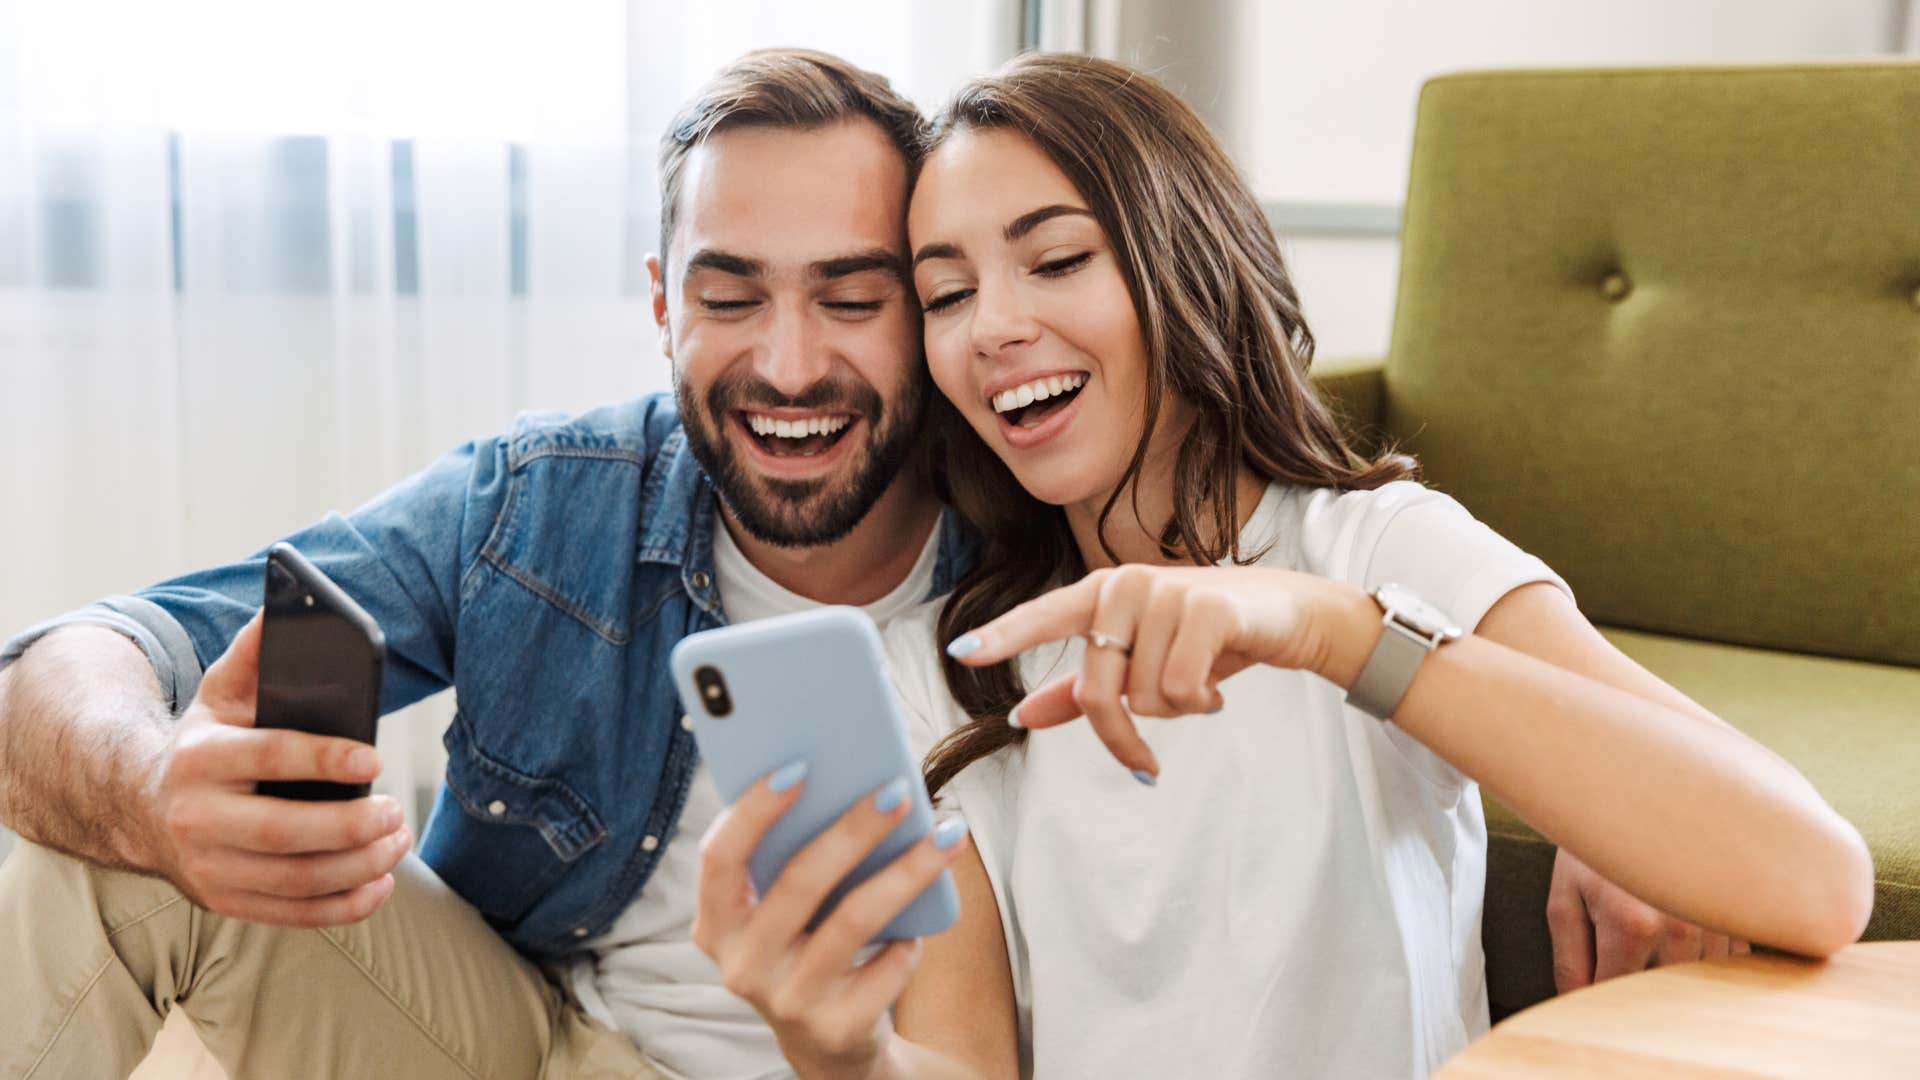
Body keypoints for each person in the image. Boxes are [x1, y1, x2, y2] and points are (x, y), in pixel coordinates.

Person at [690, 52, 1875, 1079]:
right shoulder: (944, 670)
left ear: (1184, 261)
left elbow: (1814, 878)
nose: (992, 324)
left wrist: (1334, 631)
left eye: (1055, 262)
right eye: (947, 293)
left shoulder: (1373, 548)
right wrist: (845, 1055)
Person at [0, 49, 976, 1080]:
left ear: (927, 308)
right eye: (729, 299)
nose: (787, 366)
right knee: (110, 859)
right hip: (529, 1039)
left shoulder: (1034, 540)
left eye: (853, 301)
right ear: (661, 306)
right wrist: (155, 791)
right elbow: (64, 663)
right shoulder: (553, 501)